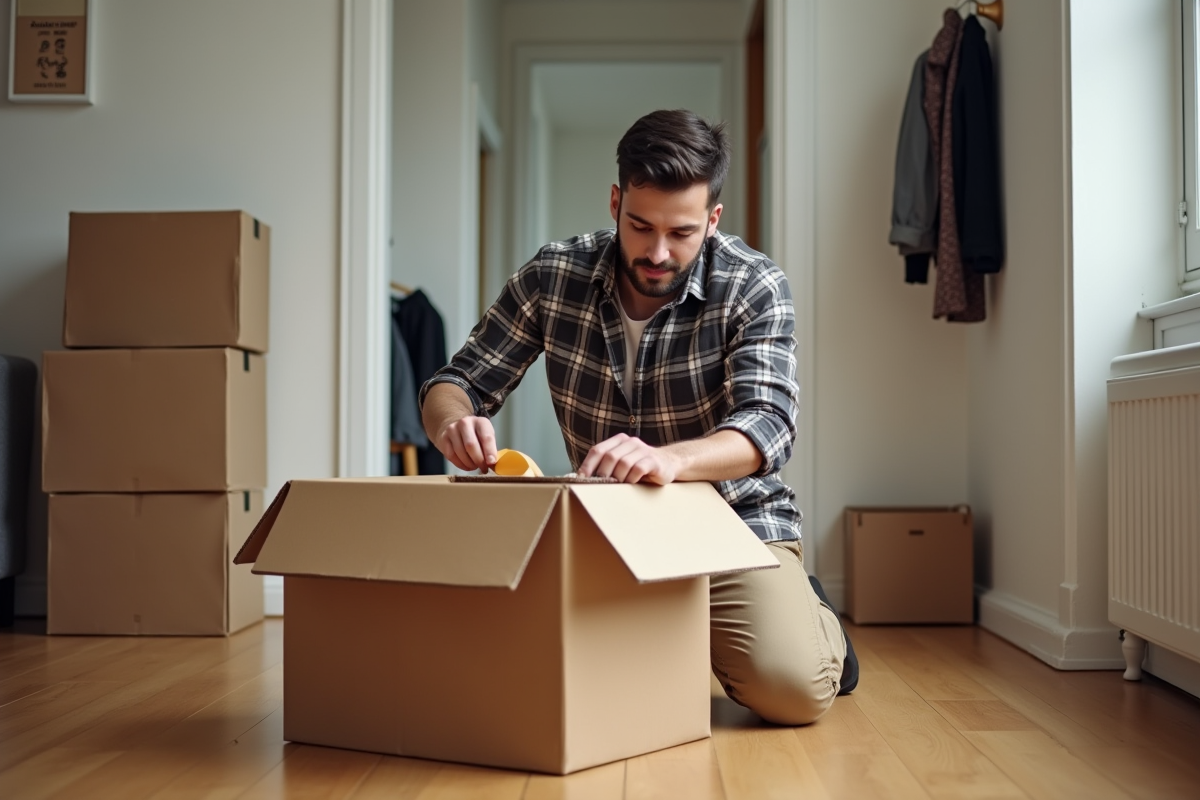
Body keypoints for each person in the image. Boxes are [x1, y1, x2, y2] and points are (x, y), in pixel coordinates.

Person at [420, 109, 858, 724]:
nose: (657, 252)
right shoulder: (554, 275)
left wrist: (669, 459)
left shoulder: (754, 284)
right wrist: (452, 423)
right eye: (639, 225)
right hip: (603, 529)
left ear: (712, 219)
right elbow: (455, 382)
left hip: (732, 520)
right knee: (508, 676)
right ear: (615, 200)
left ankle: (809, 619)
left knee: (792, 691)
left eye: (681, 233)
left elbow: (769, 424)